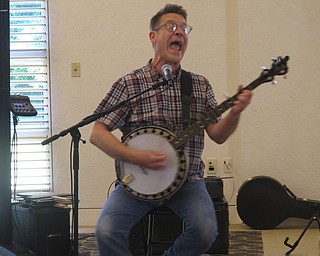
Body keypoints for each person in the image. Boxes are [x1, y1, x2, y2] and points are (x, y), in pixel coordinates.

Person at [89, 3, 252, 256]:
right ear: (153, 36)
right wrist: (134, 157)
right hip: (138, 182)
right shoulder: (131, 83)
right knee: (106, 230)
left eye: (184, 29)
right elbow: (98, 133)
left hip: (188, 181)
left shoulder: (198, 85)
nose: (180, 33)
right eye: (171, 27)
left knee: (205, 231)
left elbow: (218, 135)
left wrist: (236, 112)